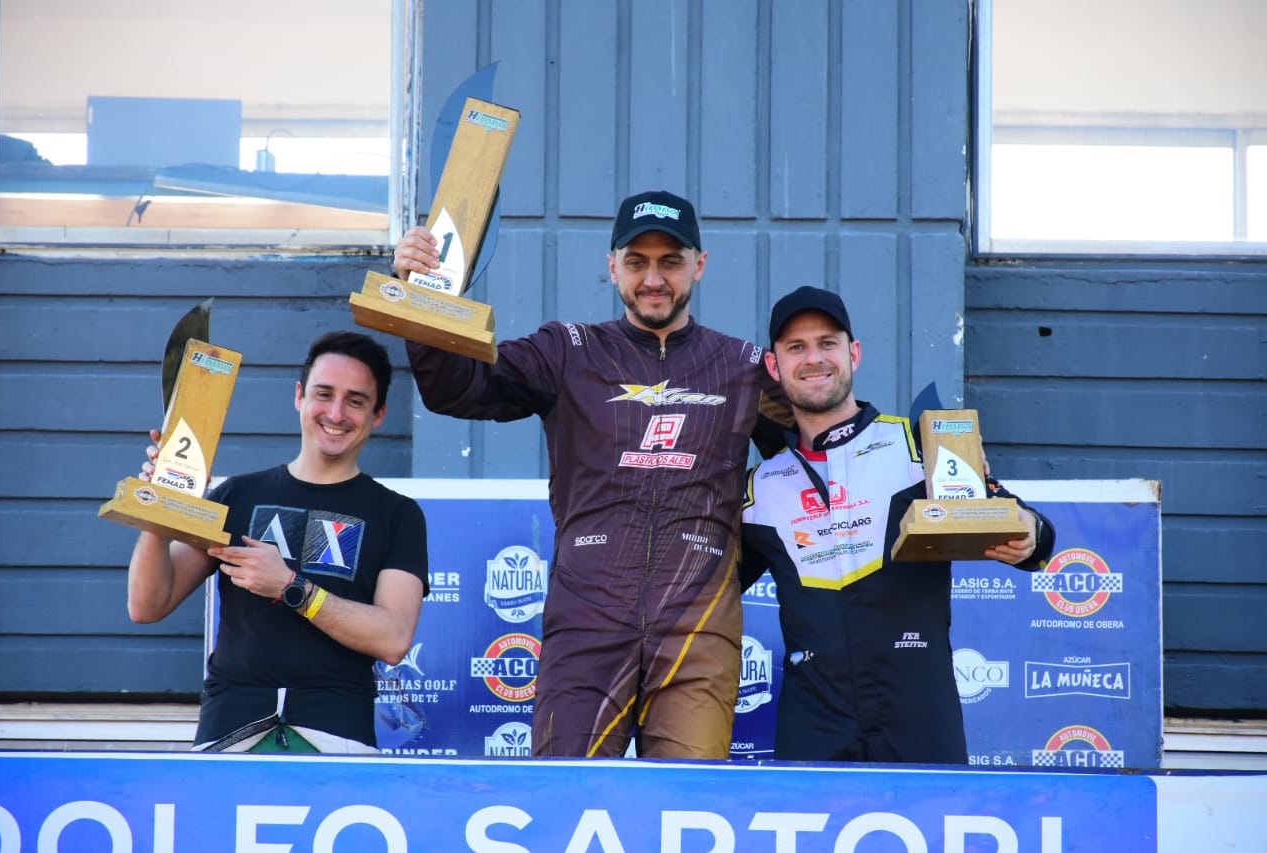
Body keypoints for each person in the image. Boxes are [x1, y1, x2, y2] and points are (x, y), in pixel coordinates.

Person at [393, 190, 788, 759]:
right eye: (637, 262)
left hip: (698, 632)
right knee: (569, 795)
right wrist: (419, 294)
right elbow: (458, 387)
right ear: (612, 266)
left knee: (687, 800)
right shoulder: (569, 350)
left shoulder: (743, 367)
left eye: (671, 262)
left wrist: (731, 569)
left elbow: (814, 451)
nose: (654, 279)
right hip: (587, 622)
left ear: (700, 265)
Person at [739, 285, 1055, 764]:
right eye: (796, 347)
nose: (814, 359)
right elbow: (703, 588)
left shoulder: (920, 447)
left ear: (854, 353)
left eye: (827, 343)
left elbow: (1027, 527)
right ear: (773, 365)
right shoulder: (760, 487)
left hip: (918, 706)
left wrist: (1030, 533)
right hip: (814, 717)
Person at [126, 331, 429, 753]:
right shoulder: (237, 495)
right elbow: (147, 606)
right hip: (230, 731)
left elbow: (393, 640)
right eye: (324, 394)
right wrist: (159, 507)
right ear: (299, 396)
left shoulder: (397, 514)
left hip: (338, 735)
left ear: (378, 415)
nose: (336, 413)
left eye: (355, 401)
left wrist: (291, 586)